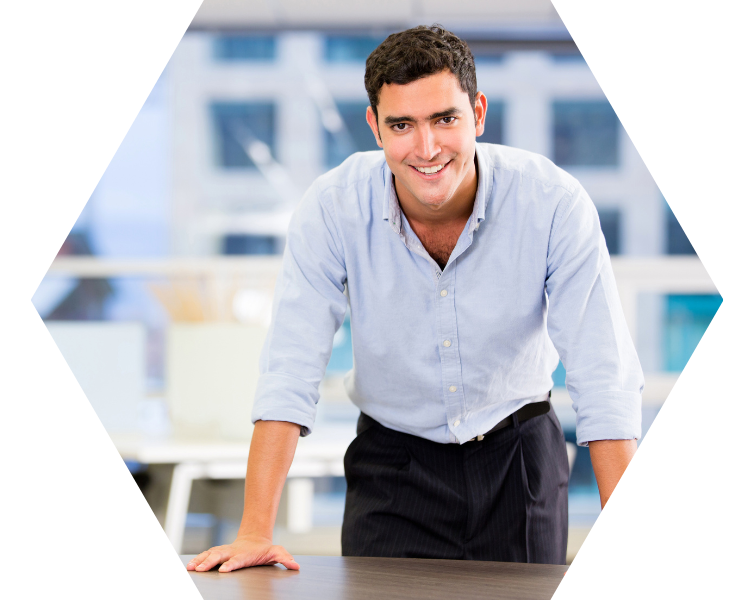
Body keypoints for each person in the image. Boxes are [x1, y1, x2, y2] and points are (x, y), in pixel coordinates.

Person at [186, 25, 643, 573]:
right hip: (393, 463)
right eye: (402, 125)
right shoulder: (334, 208)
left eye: (445, 119)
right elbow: (290, 366)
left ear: (477, 114)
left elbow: (602, 374)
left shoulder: (552, 203)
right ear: (375, 127)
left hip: (518, 457)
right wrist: (255, 531)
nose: (427, 149)